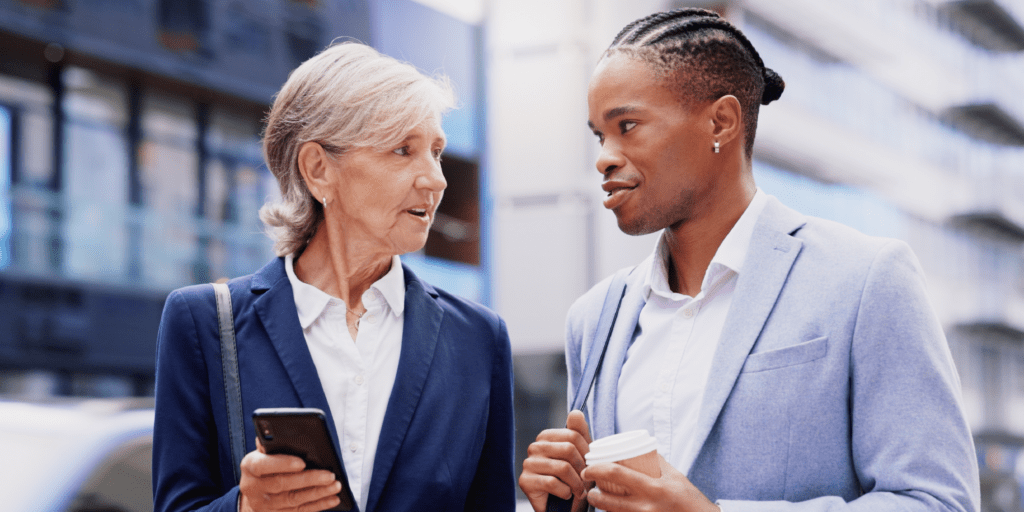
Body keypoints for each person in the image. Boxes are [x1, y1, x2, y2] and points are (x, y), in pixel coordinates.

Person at [519, 8, 979, 512]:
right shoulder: (595, 318)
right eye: (599, 135)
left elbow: (938, 502)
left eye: (628, 125)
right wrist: (567, 502)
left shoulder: (866, 279)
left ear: (722, 121)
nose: (605, 156)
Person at [153, 42, 516, 512]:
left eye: (437, 152)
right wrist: (246, 508)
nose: (436, 179)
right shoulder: (202, 323)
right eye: (403, 150)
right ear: (318, 169)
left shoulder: (478, 339)